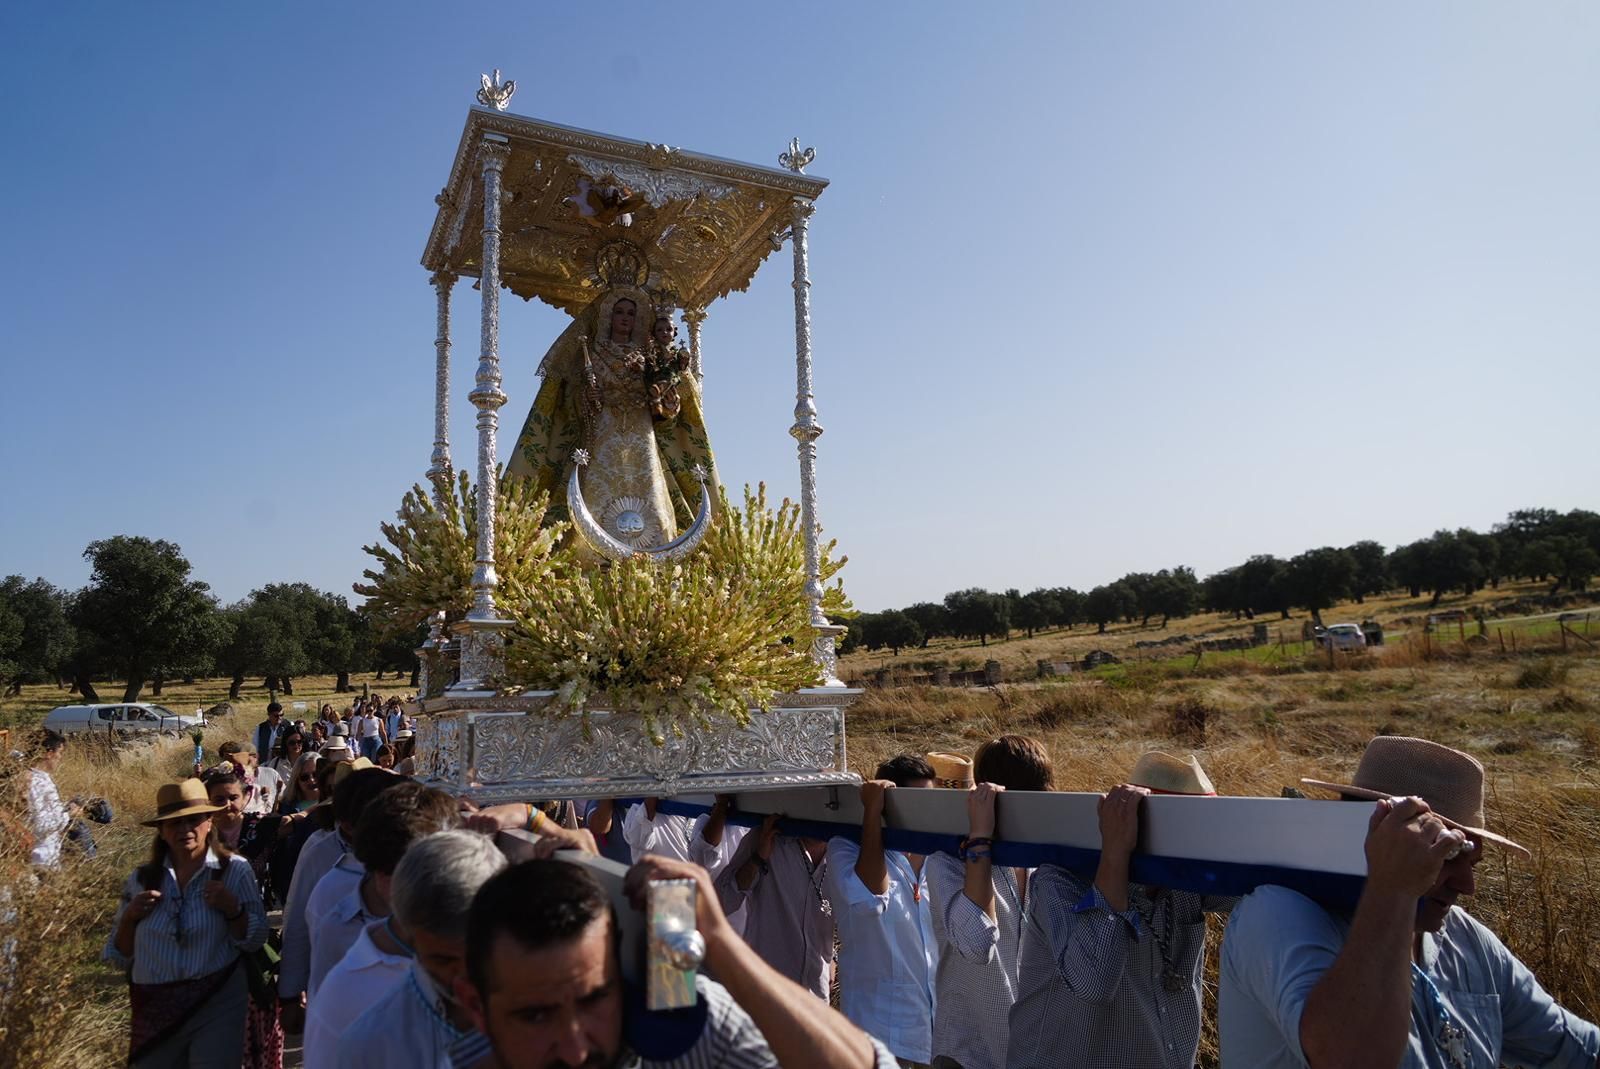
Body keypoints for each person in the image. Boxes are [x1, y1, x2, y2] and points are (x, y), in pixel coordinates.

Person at [1219, 735, 1600, 1068]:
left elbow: (1572, 1047)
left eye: (1472, 862)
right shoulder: (1277, 915)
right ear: (1366, 835)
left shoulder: (1465, 941)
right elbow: (1351, 1060)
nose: (1467, 886)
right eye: (1446, 856)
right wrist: (1394, 889)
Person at [458, 854, 901, 1069]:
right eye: (536, 1016)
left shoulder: (679, 1038)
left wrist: (720, 943)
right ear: (475, 1007)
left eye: (594, 999)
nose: (575, 1051)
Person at [1007, 752, 1235, 1069]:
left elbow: (1261, 889)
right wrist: (1115, 853)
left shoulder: (1187, 879)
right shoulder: (1060, 880)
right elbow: (1093, 983)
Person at [506, 272, 719, 544]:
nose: (625, 318)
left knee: (650, 488)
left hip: (641, 435)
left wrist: (664, 402)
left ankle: (655, 549)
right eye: (620, 311)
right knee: (595, 490)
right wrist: (588, 396)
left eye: (631, 313)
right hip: (603, 433)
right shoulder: (593, 355)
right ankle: (590, 551)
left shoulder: (651, 357)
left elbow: (665, 406)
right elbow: (572, 405)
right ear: (608, 315)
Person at [104, 779, 269, 1066]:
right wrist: (130, 918)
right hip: (154, 1009)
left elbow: (256, 939)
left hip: (217, 1002)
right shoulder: (142, 879)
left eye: (193, 820)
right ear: (162, 832)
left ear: (209, 821)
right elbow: (119, 954)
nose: (185, 830)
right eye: (174, 823)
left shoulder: (235, 872)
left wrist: (233, 910)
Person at [925, 735, 1054, 1069]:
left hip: (1032, 1052)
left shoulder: (1046, 864)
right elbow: (977, 943)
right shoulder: (947, 862)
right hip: (969, 1052)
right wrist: (980, 840)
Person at [334, 830, 509, 1068]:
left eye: (476, 953)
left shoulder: (547, 1001)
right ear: (410, 937)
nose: (462, 974)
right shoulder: (372, 1046)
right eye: (443, 960)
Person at [824, 755, 940, 1068]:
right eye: (917, 802)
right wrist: (872, 812)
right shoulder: (844, 847)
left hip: (935, 1027)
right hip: (880, 1027)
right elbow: (870, 897)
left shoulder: (936, 856)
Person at [306, 780, 459, 1000]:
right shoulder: (337, 923)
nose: (395, 887)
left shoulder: (455, 926)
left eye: (409, 873)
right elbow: (325, 1004)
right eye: (384, 869)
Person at [714, 810, 834, 1000]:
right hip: (765, 992)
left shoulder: (843, 851)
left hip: (815, 995)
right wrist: (757, 859)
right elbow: (722, 902)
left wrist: (830, 958)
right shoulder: (764, 837)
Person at [25, 729, 72, 869]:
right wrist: (68, 815)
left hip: (48, 857)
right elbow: (39, 825)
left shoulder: (40, 778)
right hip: (40, 860)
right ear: (49, 754)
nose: (60, 758)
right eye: (60, 753)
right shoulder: (36, 782)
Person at [255, 703, 289, 767]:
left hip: (283, 764)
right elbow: (255, 747)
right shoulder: (260, 728)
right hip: (265, 764)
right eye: (276, 716)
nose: (279, 718)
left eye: (281, 715)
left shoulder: (288, 726)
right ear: (269, 715)